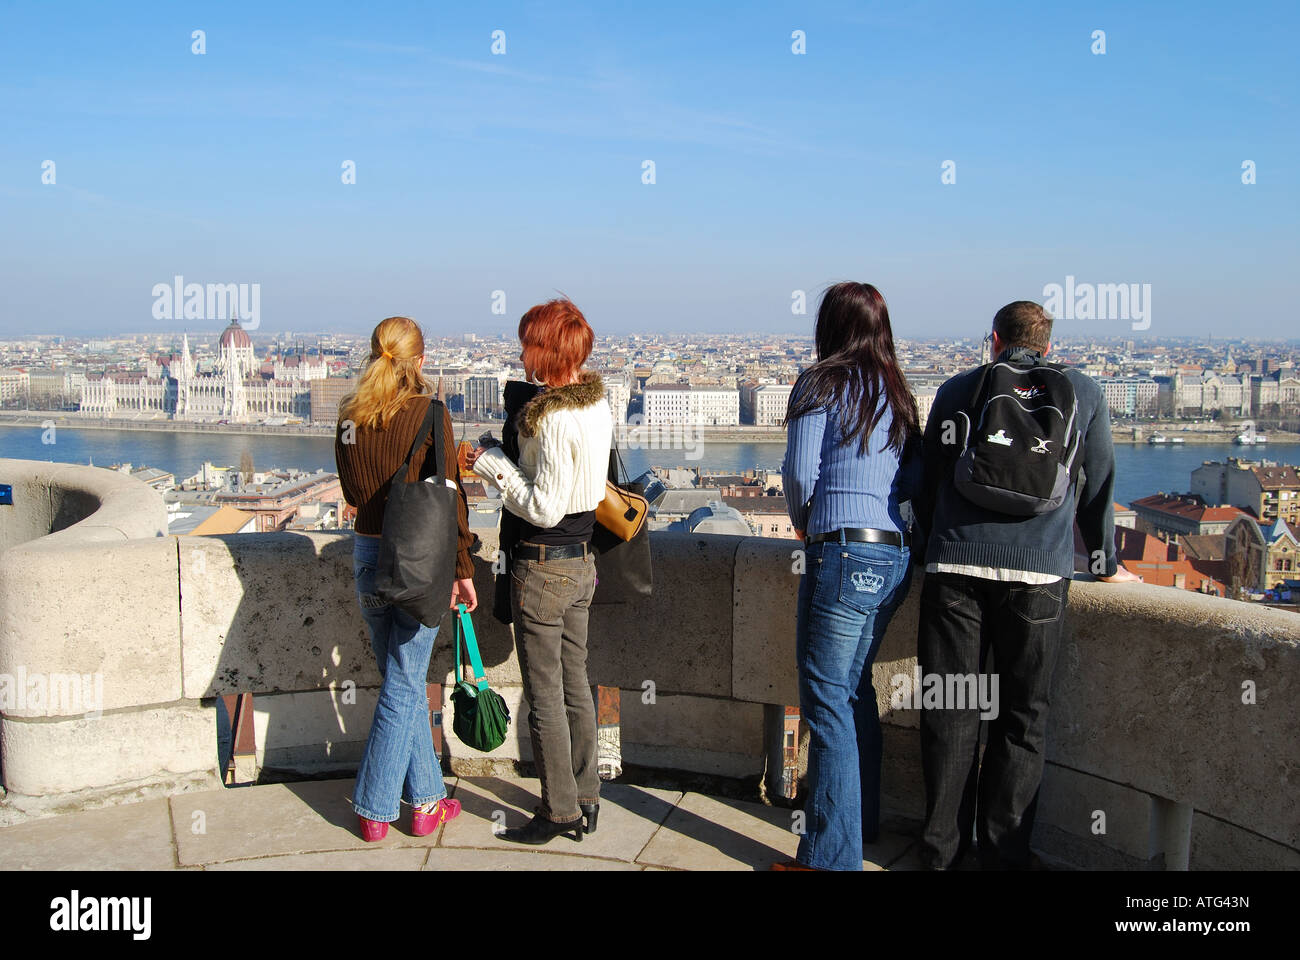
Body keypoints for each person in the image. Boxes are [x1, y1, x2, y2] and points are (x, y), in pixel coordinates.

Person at [912, 300, 1140, 871]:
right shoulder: (1083, 392)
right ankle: (1004, 854)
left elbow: (930, 478)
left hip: (957, 568)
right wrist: (1104, 560)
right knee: (1022, 718)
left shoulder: (959, 389)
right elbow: (1097, 483)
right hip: (1038, 573)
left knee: (951, 711)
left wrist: (928, 549)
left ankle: (942, 851)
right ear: (1048, 345)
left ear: (994, 340)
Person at [775, 282, 920, 871]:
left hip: (842, 552)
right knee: (853, 690)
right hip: (894, 556)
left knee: (827, 702)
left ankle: (831, 861)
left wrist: (811, 526)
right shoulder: (897, 390)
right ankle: (859, 828)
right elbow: (910, 484)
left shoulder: (822, 381)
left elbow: (800, 473)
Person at [467, 299, 613, 845]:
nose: (521, 352)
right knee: (577, 685)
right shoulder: (598, 406)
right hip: (582, 564)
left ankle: (559, 812)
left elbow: (543, 505)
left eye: (528, 342)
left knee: (545, 693)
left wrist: (492, 463)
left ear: (545, 350)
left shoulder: (548, 417)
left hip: (545, 565)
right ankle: (587, 796)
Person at [335, 316, 477, 842]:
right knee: (403, 682)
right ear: (419, 361)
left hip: (368, 553)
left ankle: (426, 802)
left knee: (404, 680)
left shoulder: (349, 414)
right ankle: (374, 808)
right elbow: (451, 498)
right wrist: (463, 570)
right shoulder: (431, 413)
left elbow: (352, 490)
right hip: (419, 560)